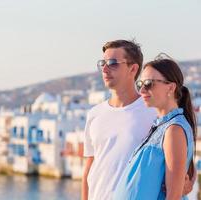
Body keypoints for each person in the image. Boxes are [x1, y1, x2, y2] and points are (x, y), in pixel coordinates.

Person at [82, 40, 195, 200]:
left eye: (113, 63)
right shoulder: (94, 114)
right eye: (103, 63)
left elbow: (183, 154)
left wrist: (187, 181)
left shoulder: (154, 110)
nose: (105, 69)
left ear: (133, 68)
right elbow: (89, 168)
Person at [113, 55, 196, 200]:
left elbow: (173, 196)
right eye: (140, 84)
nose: (142, 90)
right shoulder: (161, 126)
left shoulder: (174, 130)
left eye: (149, 83)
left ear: (170, 87)